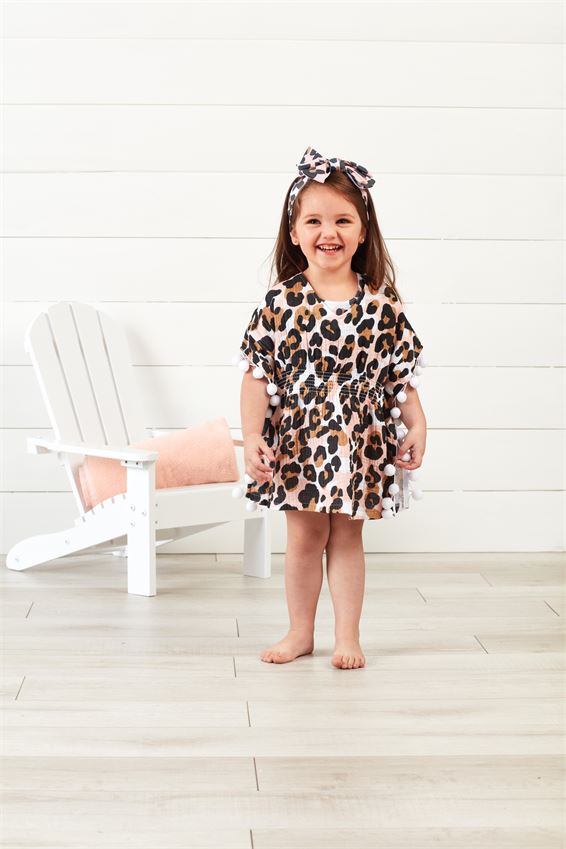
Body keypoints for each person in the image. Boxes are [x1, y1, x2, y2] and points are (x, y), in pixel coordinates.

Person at [237, 145, 427, 670]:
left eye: (343, 220)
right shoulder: (280, 303)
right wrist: (252, 436)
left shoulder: (382, 305)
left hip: (360, 442)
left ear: (363, 231)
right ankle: (300, 631)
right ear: (294, 232)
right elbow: (256, 377)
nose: (330, 232)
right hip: (300, 440)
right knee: (304, 536)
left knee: (347, 535)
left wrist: (417, 424)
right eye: (315, 220)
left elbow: (402, 377)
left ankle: (348, 635)